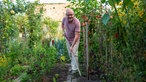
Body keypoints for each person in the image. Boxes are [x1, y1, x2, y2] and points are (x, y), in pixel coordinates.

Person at [62, 8, 80, 74]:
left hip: (75, 40)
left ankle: (74, 70)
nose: (70, 16)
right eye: (68, 15)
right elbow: (62, 24)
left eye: (71, 15)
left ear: (73, 15)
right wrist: (63, 31)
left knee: (74, 54)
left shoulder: (77, 22)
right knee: (70, 54)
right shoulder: (64, 19)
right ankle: (73, 66)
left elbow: (77, 36)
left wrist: (72, 46)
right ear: (66, 15)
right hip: (67, 38)